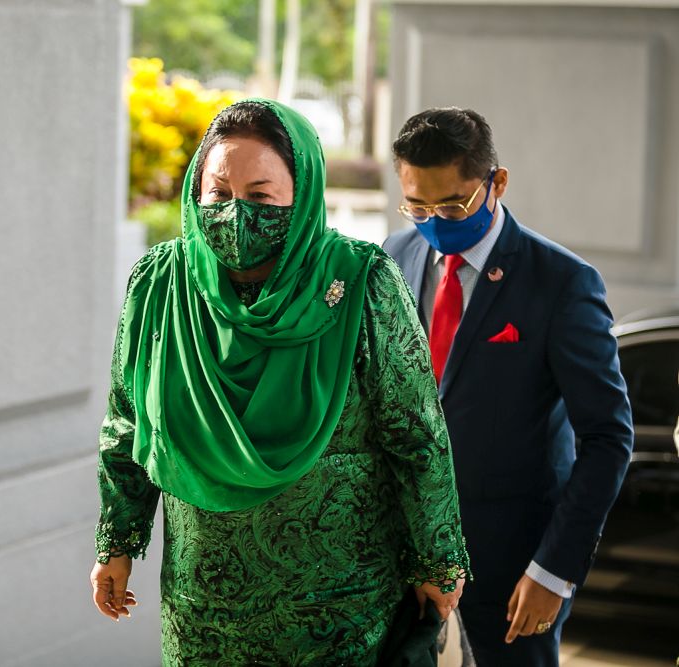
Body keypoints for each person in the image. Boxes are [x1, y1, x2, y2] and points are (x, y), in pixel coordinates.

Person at [89, 99, 471, 665]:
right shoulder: (161, 284)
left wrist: (437, 560)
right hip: (202, 612)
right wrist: (117, 542)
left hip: (340, 613)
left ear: (303, 192)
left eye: (261, 196)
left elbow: (416, 436)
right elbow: (126, 423)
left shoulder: (361, 282)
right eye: (218, 194)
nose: (236, 214)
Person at [383, 107, 634, 666]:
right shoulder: (392, 259)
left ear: (497, 181)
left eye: (453, 204)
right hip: (400, 563)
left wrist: (554, 571)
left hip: (511, 569)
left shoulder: (562, 283)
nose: (435, 221)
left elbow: (608, 438)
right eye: (418, 206)